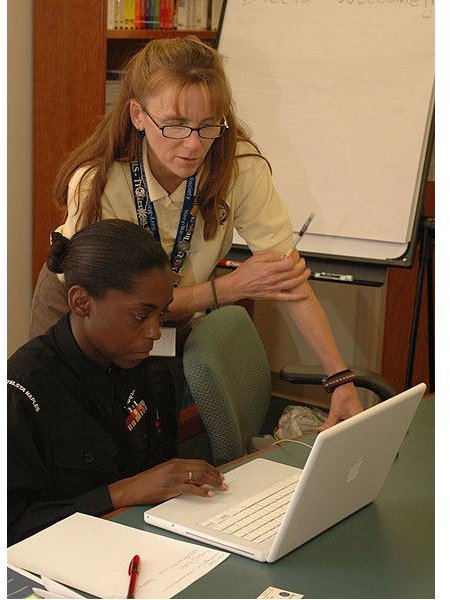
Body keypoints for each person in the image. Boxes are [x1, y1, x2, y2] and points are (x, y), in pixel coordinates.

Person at [30, 35, 362, 430]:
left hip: (169, 314)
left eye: (207, 125)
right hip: (89, 314)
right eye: (175, 125)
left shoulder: (240, 167)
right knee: (75, 432)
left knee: (155, 434)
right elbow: (117, 309)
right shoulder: (99, 182)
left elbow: (287, 281)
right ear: (138, 115)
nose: (193, 145)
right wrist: (229, 289)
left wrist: (339, 380)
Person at [8, 220, 227, 546]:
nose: (154, 332)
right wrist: (119, 493)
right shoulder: (24, 392)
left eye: (162, 315)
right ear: (81, 302)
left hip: (136, 537)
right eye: (141, 316)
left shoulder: (135, 360)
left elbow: (156, 464)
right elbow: (11, 528)